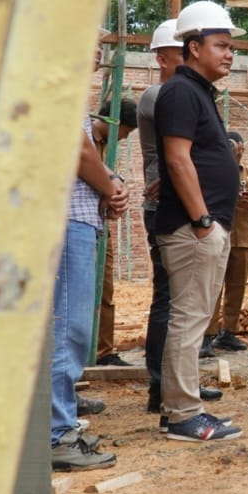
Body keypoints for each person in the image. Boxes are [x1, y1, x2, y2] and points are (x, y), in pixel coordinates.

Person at [153, 0, 245, 442]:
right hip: (194, 229)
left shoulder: (197, 91)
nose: (229, 54)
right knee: (189, 321)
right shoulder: (181, 92)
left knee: (192, 320)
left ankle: (180, 408)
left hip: (203, 225)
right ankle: (183, 415)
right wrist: (203, 220)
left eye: (231, 47)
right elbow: (177, 159)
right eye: (221, 45)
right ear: (193, 47)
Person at [136, 19, 221, 415]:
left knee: (184, 305)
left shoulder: (190, 93)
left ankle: (177, 386)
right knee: (173, 304)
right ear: (164, 57)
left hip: (187, 209)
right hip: (175, 213)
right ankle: (166, 390)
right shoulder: (165, 94)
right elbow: (179, 155)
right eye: (180, 52)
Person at [51, 97, 129, 471]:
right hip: (67, 219)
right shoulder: (57, 78)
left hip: (74, 217)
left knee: (68, 331)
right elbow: (77, 150)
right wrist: (110, 187)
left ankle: (59, 422)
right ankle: (57, 435)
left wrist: (111, 180)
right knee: (69, 330)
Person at [205, 131, 248, 355]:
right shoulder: (211, 171)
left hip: (242, 238)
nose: (236, 152)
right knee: (213, 287)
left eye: (238, 148)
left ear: (242, 148)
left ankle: (228, 333)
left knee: (237, 287)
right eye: (231, 147)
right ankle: (207, 335)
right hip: (216, 236)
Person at [93, 98, 139, 367]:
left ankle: (103, 350)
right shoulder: (86, 138)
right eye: (127, 131)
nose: (125, 138)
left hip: (100, 226)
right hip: (80, 226)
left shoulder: (104, 146)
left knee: (104, 290)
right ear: (116, 123)